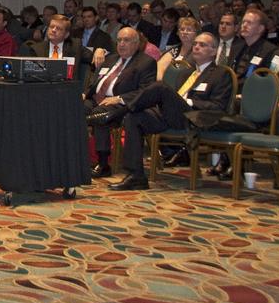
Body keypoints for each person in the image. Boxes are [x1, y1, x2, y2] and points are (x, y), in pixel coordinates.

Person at [109, 32, 235, 191]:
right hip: (171, 115)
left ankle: (117, 112)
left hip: (194, 118)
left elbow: (218, 107)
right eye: (195, 43)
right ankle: (136, 176)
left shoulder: (221, 74)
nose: (196, 47)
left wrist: (188, 101)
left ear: (214, 51)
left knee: (160, 86)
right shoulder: (186, 73)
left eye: (202, 45)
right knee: (134, 117)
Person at [84, 27, 157, 178]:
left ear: (136, 44)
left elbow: (146, 91)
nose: (122, 44)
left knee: (100, 114)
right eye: (119, 40)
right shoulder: (110, 59)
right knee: (72, 108)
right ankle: (75, 158)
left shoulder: (146, 62)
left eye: (126, 40)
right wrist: (85, 94)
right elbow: (97, 82)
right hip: (97, 99)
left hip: (123, 104)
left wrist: (120, 98)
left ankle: (103, 164)